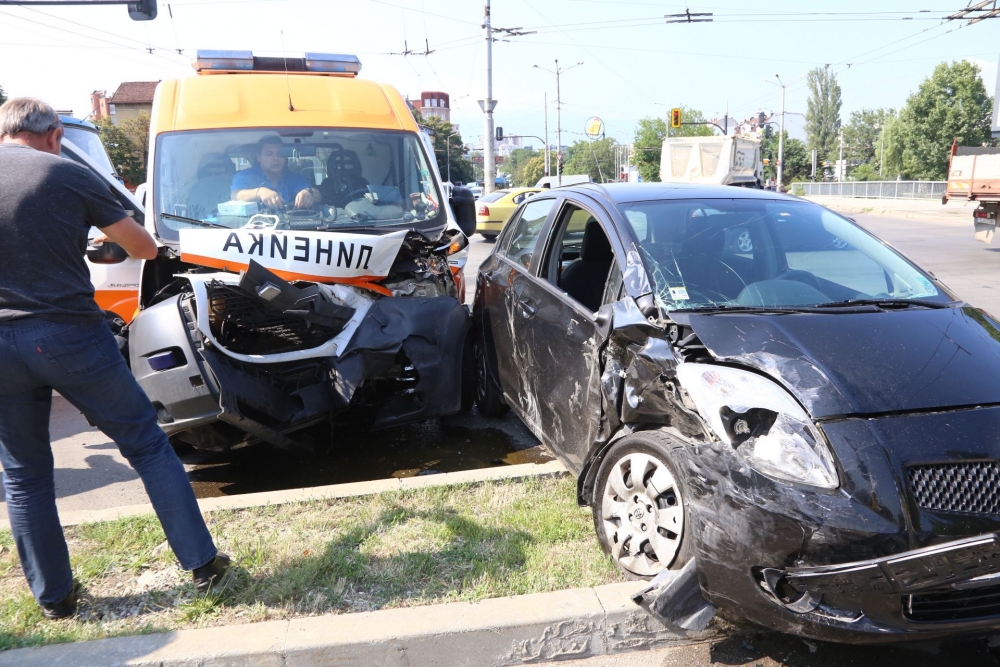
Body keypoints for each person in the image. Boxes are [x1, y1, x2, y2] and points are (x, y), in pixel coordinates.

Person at [0, 98, 229, 620]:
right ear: (55, 133)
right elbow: (143, 247)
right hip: (66, 337)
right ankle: (202, 565)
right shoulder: (64, 172)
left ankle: (55, 598)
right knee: (147, 444)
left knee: (24, 473)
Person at [231, 135, 321, 210]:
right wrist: (261, 192)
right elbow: (235, 195)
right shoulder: (245, 176)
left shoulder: (294, 178)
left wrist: (308, 193)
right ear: (258, 157)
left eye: (280, 154)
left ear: (285, 157)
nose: (276, 158)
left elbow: (318, 195)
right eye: (269, 154)